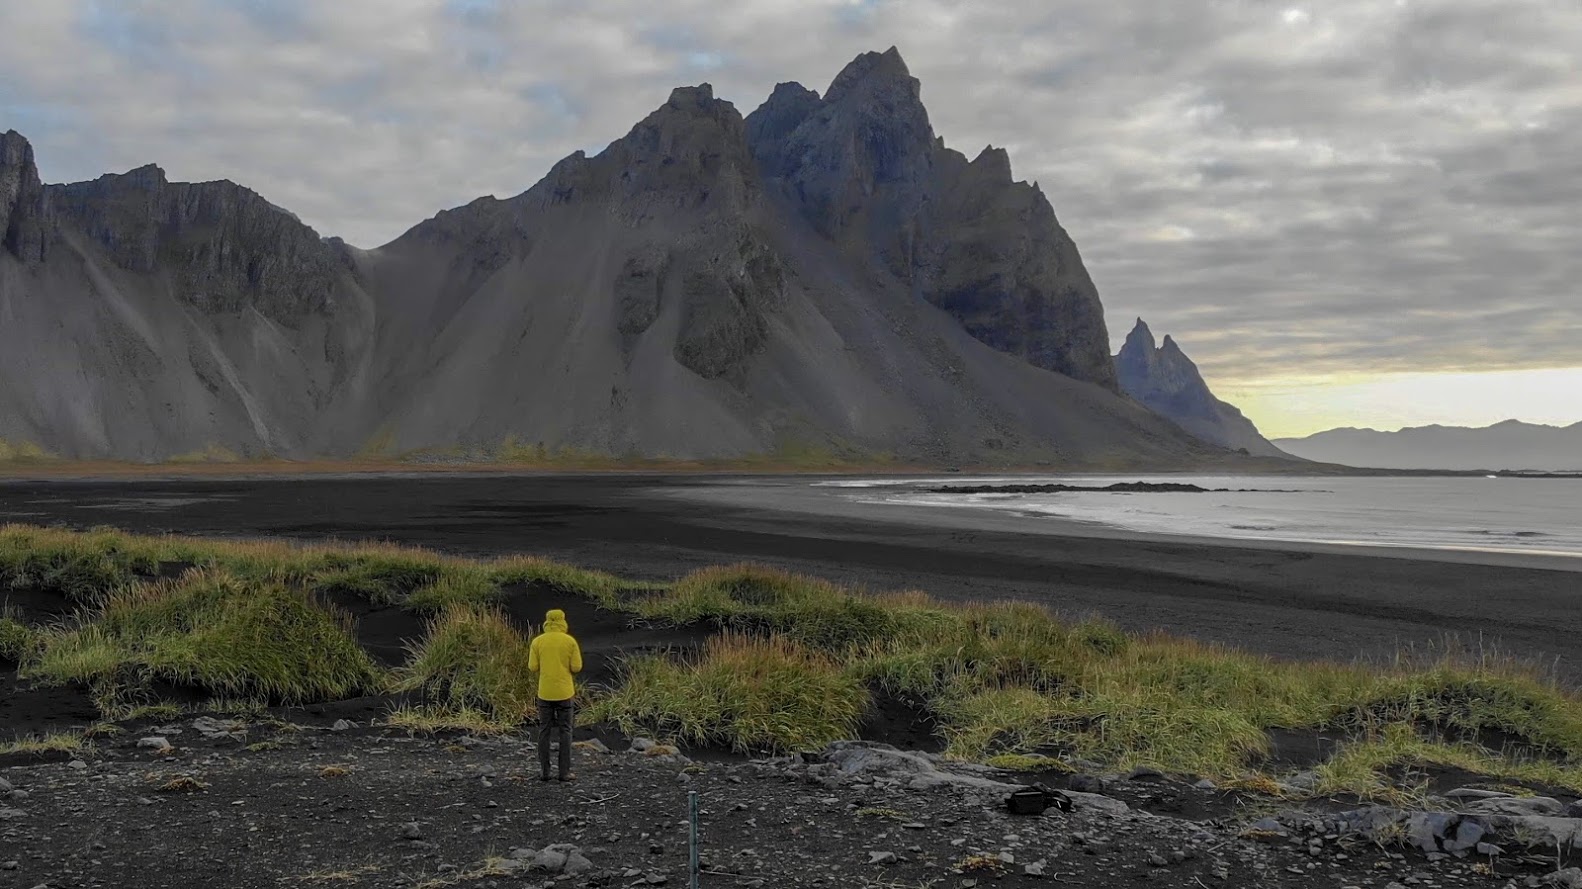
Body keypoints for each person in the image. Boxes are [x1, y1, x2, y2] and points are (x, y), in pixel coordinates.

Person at [528, 608, 583, 782]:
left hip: (545, 693)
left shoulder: (538, 642)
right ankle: (564, 772)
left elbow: (532, 667)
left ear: (547, 621)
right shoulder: (570, 641)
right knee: (565, 731)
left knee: (544, 731)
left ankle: (545, 771)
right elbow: (576, 667)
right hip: (565, 693)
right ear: (562, 621)